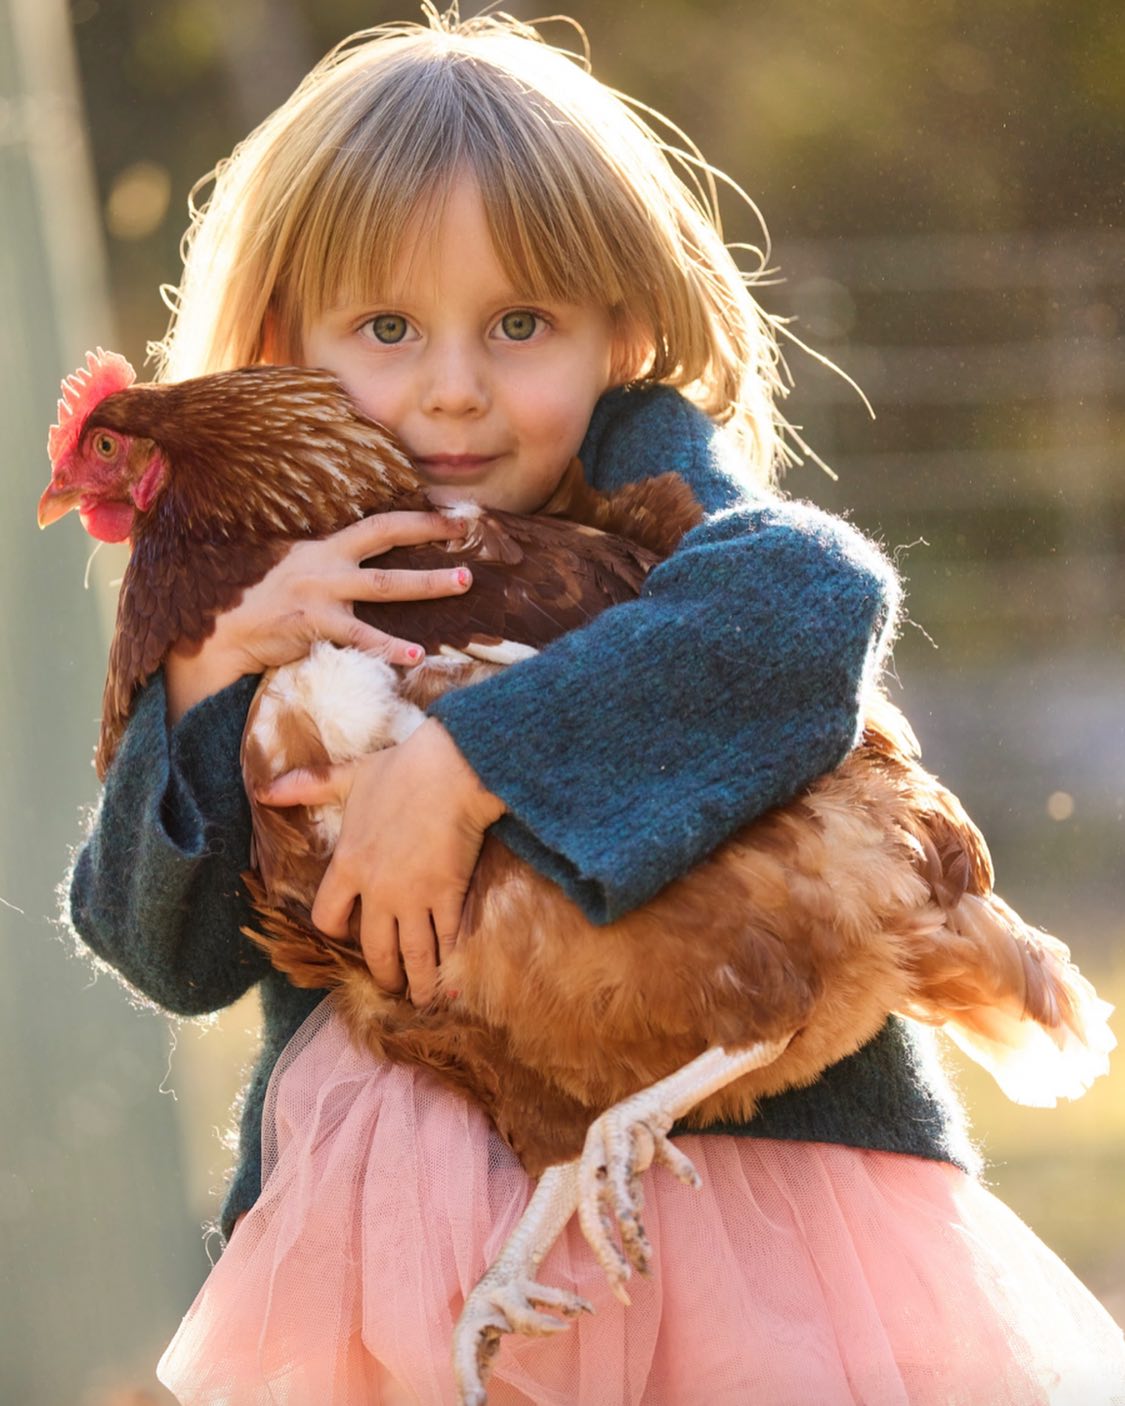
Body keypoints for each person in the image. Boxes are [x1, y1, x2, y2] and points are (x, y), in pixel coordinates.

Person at [65, 11, 1125, 1405]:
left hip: (734, 1205)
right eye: (387, 328)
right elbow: (167, 953)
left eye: (521, 325)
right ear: (282, 339)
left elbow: (809, 597)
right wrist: (209, 671)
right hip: (394, 1220)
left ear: (617, 329)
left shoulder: (637, 469)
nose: (455, 390)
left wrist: (467, 765)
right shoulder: (266, 569)